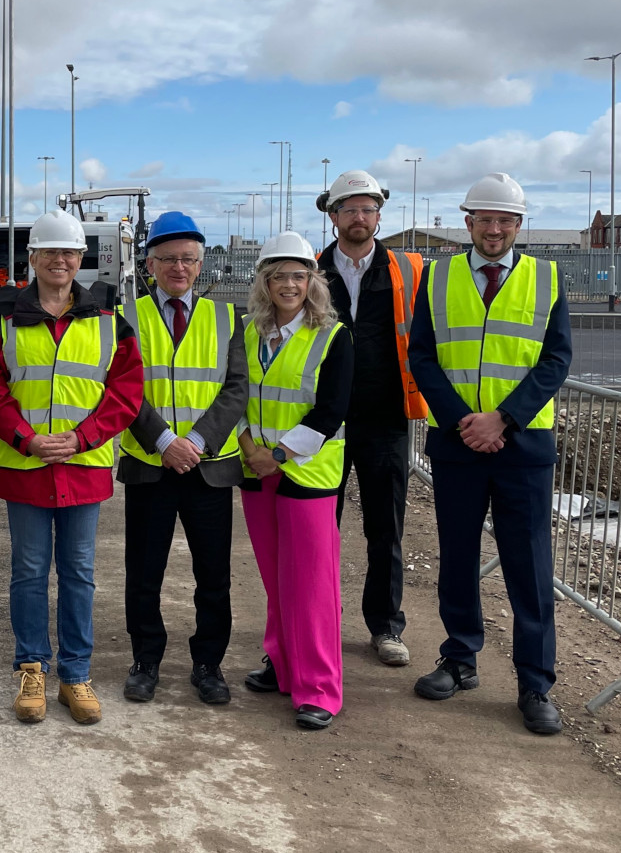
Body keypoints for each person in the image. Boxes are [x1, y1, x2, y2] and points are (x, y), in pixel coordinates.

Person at [408, 172, 572, 735]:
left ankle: (535, 682)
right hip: (458, 445)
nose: (495, 229)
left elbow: (556, 360)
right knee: (455, 556)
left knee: (529, 565)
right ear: (468, 222)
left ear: (519, 225)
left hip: (522, 446)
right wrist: (463, 422)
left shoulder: (547, 279)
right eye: (485, 219)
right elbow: (423, 357)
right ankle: (459, 658)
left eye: (506, 220)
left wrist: (503, 419)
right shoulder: (437, 276)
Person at [0, 209, 144, 726]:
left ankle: (75, 673)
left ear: (82, 258)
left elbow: (126, 390)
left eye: (69, 252)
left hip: (83, 466)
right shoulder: (2, 316)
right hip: (26, 465)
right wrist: (26, 439)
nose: (60, 260)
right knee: (28, 573)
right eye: (50, 251)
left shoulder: (107, 319)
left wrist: (84, 436)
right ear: (31, 258)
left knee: (79, 574)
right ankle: (32, 667)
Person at [116, 211, 249, 706]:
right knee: (144, 573)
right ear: (150, 264)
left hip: (207, 468)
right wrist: (164, 441)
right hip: (151, 465)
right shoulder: (127, 316)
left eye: (189, 259)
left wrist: (195, 443)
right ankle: (146, 659)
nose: (179, 267)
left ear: (201, 265)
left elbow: (237, 389)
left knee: (212, 575)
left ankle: (208, 663)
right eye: (168, 258)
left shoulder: (226, 318)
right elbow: (122, 388)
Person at [237, 232, 353, 731]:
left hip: (306, 472)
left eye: (299, 276)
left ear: (313, 282)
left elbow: (332, 410)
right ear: (264, 282)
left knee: (311, 585)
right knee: (275, 577)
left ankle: (320, 689)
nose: (290, 285)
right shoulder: (248, 333)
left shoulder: (333, 335)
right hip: (256, 469)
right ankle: (282, 665)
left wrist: (278, 455)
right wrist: (248, 446)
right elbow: (234, 395)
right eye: (279, 275)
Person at [314, 170, 427, 668]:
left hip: (385, 418)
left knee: (386, 528)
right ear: (333, 215)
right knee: (320, 528)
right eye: (349, 209)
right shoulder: (309, 268)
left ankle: (385, 626)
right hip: (323, 422)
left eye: (368, 209)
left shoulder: (410, 268)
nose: (359, 218)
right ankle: (319, 623)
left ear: (380, 215)